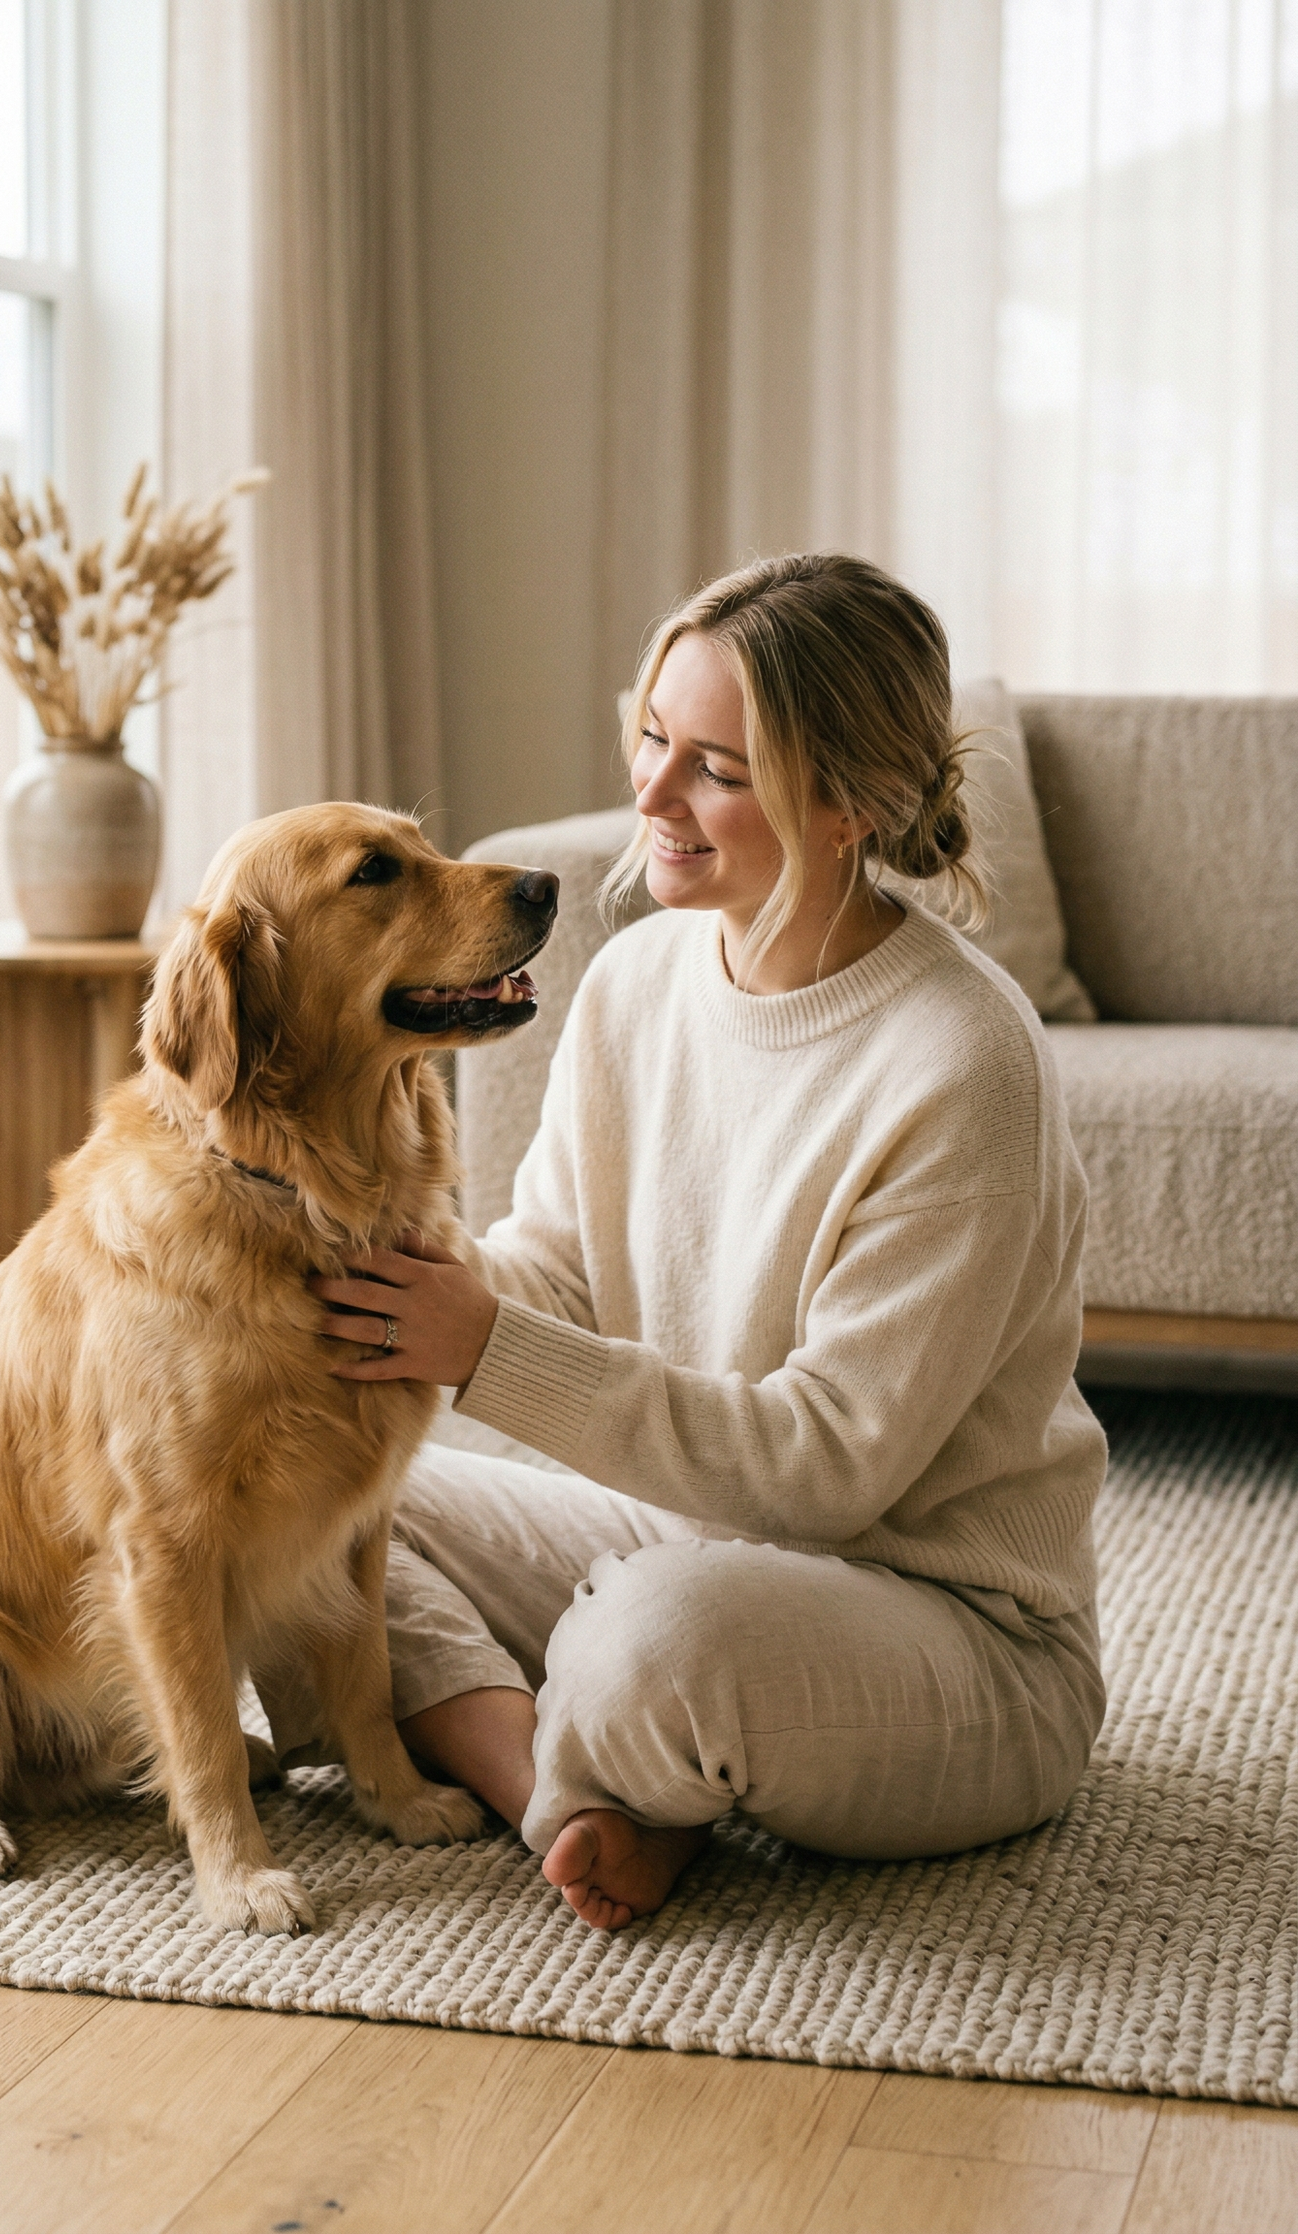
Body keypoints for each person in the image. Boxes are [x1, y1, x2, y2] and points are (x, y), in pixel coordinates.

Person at [307, 552, 1108, 1931]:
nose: (651, 794)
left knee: (653, 1642)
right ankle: (572, 1796)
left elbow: (823, 1470)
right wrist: (382, 1289)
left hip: (952, 1628)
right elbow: (553, 1264)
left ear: (848, 802)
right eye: (650, 736)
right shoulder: (634, 982)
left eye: (716, 768)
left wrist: (483, 1345)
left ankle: (608, 1741)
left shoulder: (962, 1061)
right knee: (308, 1519)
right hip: (683, 1529)